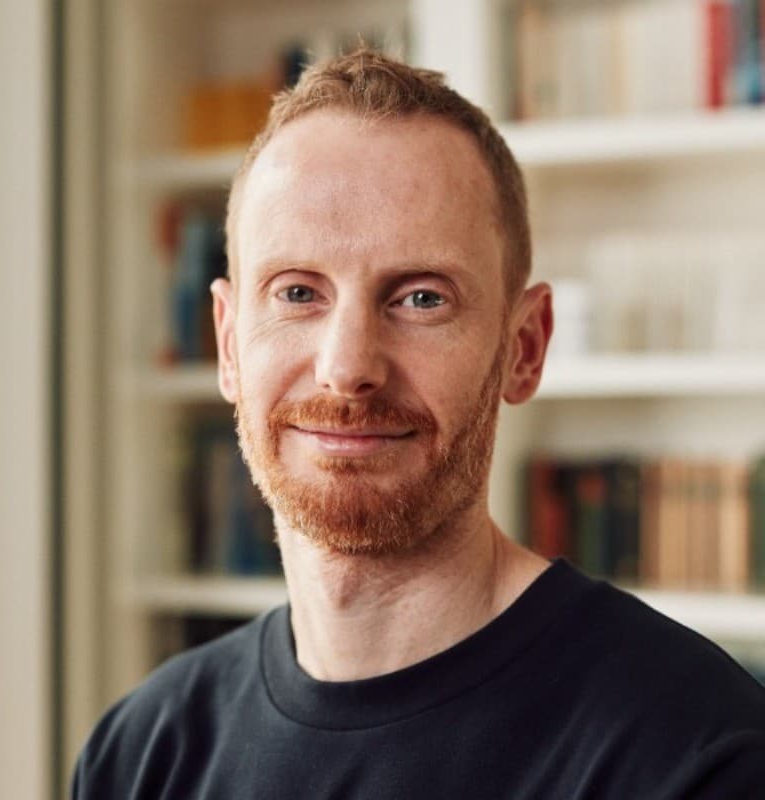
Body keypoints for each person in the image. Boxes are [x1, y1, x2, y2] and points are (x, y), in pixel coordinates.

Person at [72, 49, 765, 799]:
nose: (348, 367)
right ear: (230, 342)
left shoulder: (696, 754)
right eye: (299, 291)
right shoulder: (141, 752)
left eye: (421, 298)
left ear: (523, 348)